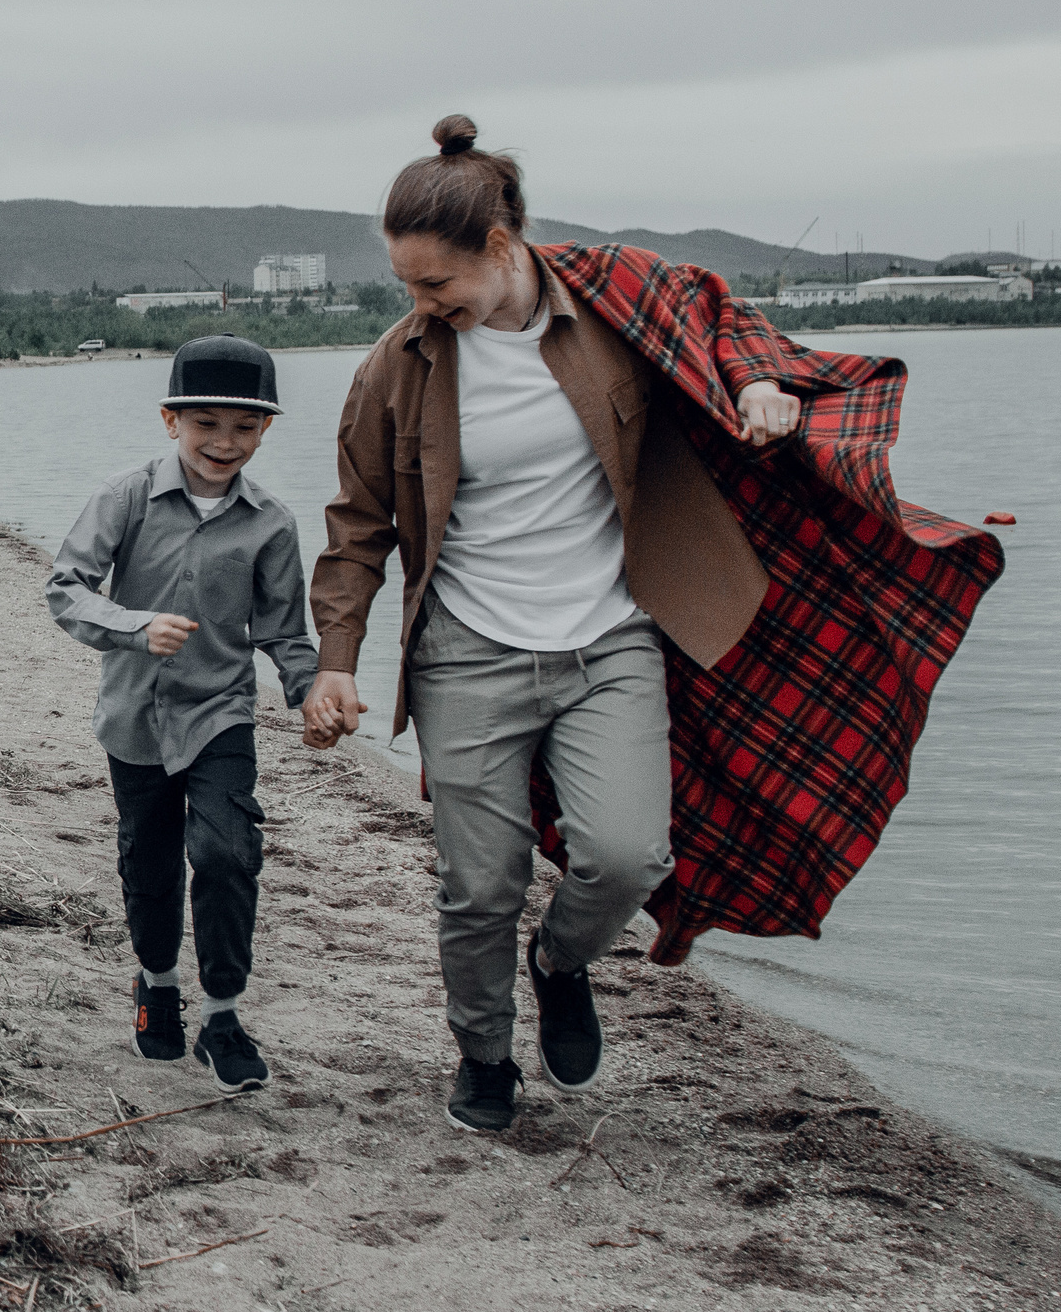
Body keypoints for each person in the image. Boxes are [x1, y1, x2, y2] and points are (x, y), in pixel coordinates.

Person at [303, 116, 818, 1133]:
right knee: (478, 884)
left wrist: (758, 380)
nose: (420, 304)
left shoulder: (614, 304)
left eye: (435, 284)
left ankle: (560, 961)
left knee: (629, 857)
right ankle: (484, 1056)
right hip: (466, 656)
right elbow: (356, 526)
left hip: (610, 641)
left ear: (500, 250)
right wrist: (334, 662)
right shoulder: (396, 366)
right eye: (407, 285)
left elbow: (719, 310)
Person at [45, 335, 319, 1092]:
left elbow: (285, 631)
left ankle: (223, 1012)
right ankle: (157, 982)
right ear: (171, 421)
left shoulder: (272, 523)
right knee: (150, 859)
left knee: (230, 854)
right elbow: (66, 588)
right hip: (133, 713)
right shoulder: (125, 497)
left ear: (266, 429)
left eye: (243, 427)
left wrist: (312, 692)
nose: (224, 443)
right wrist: (136, 625)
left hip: (220, 714)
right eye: (206, 424)